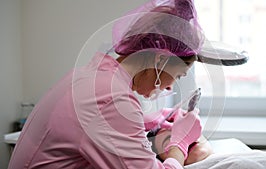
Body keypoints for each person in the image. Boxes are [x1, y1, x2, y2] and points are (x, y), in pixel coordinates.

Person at [8, 0, 206, 168]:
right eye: (178, 75)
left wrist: (149, 120)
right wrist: (180, 142)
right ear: (160, 60)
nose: (171, 87)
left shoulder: (92, 77)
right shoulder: (110, 98)